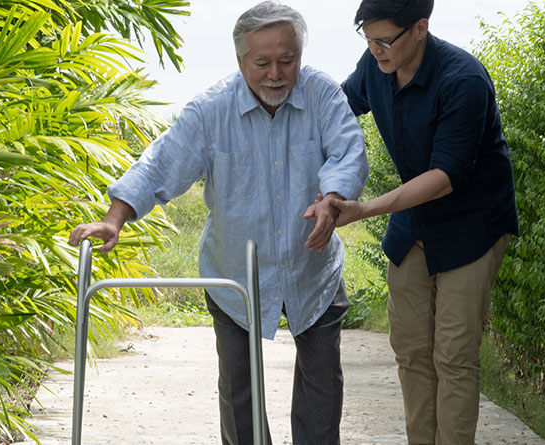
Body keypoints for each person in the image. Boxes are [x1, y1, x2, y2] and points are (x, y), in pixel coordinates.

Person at [68, 2, 369, 444]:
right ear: (240, 60)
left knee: (322, 381)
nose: (276, 74)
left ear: (300, 56)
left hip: (313, 268)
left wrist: (332, 198)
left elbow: (347, 152)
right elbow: (160, 164)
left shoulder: (322, 94)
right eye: (262, 62)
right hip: (234, 274)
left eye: (288, 60)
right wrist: (115, 220)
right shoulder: (211, 110)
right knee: (238, 388)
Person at [315, 0, 519, 443]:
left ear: (421, 28)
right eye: (367, 38)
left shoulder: (463, 80)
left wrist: (363, 208)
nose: (375, 50)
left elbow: (444, 177)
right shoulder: (376, 65)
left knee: (454, 356)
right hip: (413, 225)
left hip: (472, 228)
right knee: (410, 350)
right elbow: (335, 111)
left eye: (385, 39)